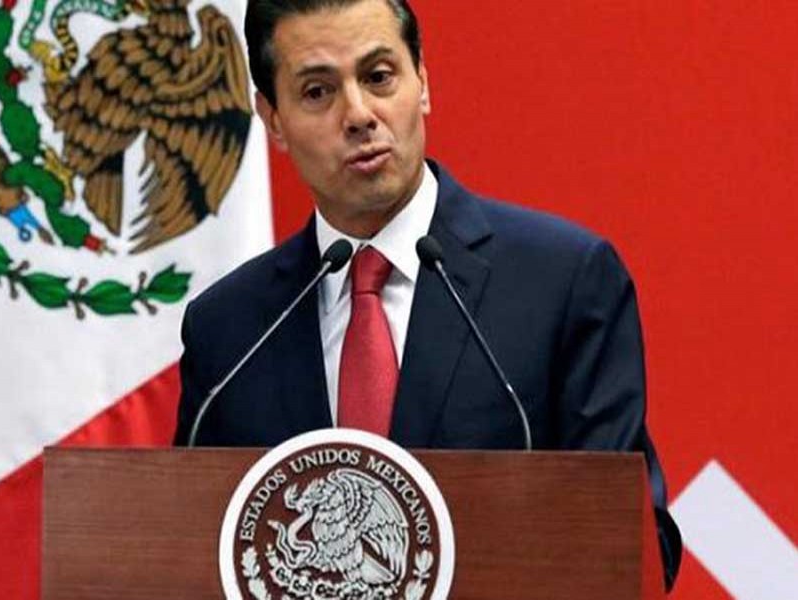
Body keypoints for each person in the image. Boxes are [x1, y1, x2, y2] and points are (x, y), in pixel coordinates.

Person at [173, 0, 681, 589]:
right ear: (273, 119)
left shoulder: (563, 282)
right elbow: (191, 554)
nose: (359, 114)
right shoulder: (230, 329)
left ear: (423, 84)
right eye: (317, 92)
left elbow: (636, 545)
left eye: (379, 77)